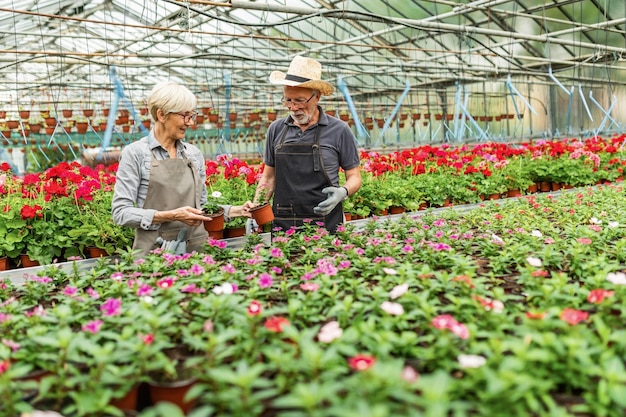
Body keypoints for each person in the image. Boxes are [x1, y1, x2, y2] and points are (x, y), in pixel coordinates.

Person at [112, 81, 253, 256]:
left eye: (192, 115)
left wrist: (235, 210)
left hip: (196, 252)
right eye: (184, 116)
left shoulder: (193, 154)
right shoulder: (136, 154)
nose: (191, 122)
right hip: (154, 255)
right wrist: (171, 215)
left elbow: (201, 207)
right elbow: (120, 212)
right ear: (162, 115)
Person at [254, 55, 362, 233]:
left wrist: (343, 192)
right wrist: (257, 210)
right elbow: (268, 177)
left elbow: (355, 177)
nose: (293, 107)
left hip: (326, 218)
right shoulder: (276, 129)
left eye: (299, 100)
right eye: (288, 100)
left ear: (317, 97)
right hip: (284, 219)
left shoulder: (339, 130)